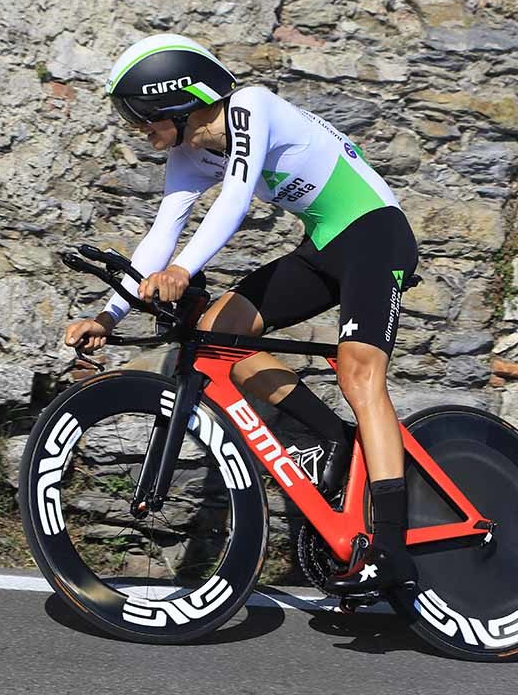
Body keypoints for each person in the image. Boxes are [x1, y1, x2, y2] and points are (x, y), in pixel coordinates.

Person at [63, 34, 419, 596]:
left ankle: (392, 549)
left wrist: (182, 271)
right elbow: (163, 231)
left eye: (143, 116)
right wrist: (109, 317)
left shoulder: (251, 104)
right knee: (215, 333)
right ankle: (329, 439)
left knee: (358, 372)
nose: (140, 131)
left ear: (177, 98)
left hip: (376, 232)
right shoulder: (188, 154)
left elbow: (234, 199)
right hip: (323, 245)